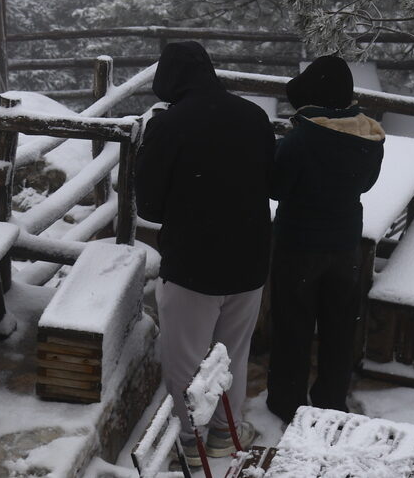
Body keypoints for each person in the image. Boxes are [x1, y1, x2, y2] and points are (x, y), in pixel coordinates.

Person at [135, 41, 276, 463]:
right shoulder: (254, 116)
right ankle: (224, 434)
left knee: (187, 360)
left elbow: (151, 207)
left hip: (193, 264)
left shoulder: (168, 125)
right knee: (231, 355)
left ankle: (190, 442)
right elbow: (270, 181)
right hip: (249, 259)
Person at [265, 54, 385, 425]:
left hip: (298, 245)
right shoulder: (369, 136)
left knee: (292, 326)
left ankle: (287, 402)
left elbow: (275, 186)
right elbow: (365, 184)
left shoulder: (302, 138)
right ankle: (332, 399)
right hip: (346, 244)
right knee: (339, 327)